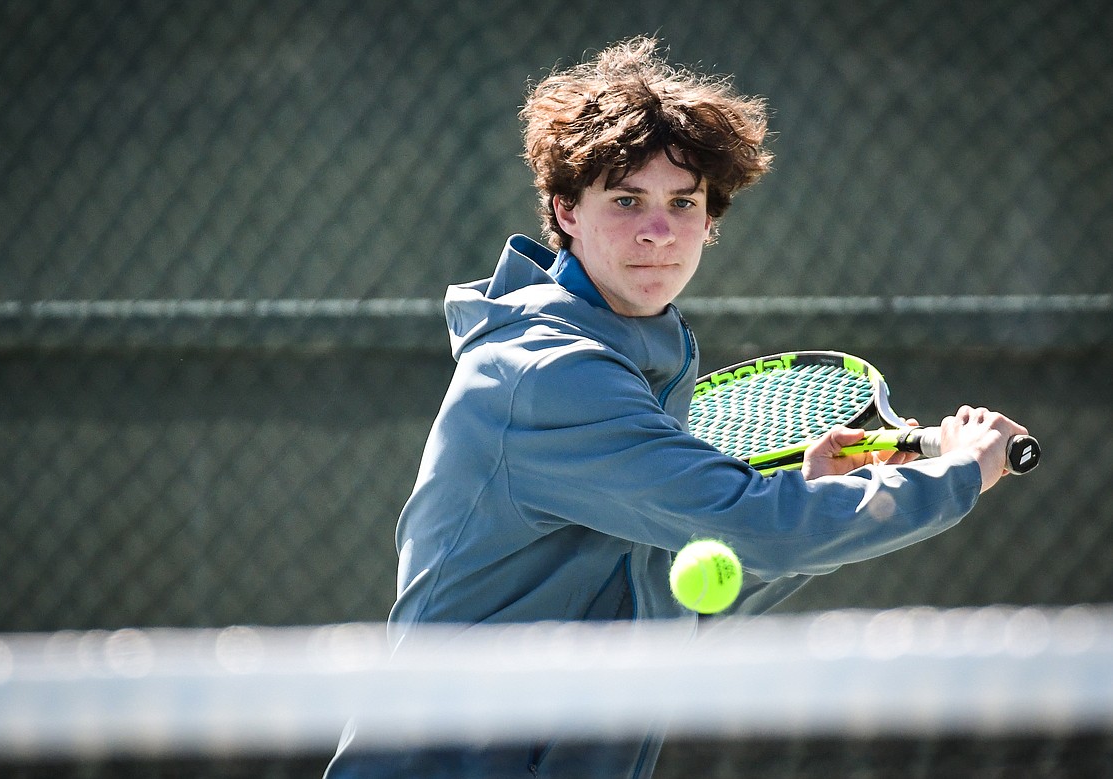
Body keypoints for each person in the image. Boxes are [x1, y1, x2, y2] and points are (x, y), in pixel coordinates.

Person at [326, 36, 1028, 778]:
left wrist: (816, 495)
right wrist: (957, 474)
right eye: (626, 200)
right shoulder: (549, 373)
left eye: (682, 203)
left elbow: (662, 608)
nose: (658, 232)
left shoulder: (641, 356)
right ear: (566, 209)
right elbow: (760, 526)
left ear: (709, 220)